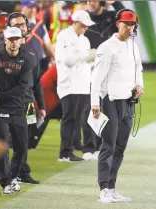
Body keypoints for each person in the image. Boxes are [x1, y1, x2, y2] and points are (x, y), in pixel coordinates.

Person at [90, 9, 144, 203]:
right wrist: (95, 102)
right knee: (108, 146)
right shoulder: (107, 47)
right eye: (126, 24)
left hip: (128, 101)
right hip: (110, 101)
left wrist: (140, 85)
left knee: (120, 146)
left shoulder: (133, 46)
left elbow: (138, 68)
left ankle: (112, 187)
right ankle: (103, 188)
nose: (129, 28)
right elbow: (96, 76)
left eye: (132, 25)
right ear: (117, 24)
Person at [0, 12, 45, 184]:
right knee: (2, 139)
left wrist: (41, 104)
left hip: (27, 101)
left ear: (27, 27)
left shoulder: (32, 51)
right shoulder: (1, 50)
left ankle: (22, 171)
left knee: (23, 139)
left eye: (22, 24)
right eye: (15, 25)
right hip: (5, 102)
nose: (20, 27)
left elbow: (36, 81)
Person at [0, 27, 32, 194]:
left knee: (21, 148)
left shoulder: (27, 60)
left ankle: (13, 177)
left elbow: (23, 88)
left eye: (17, 39)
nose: (14, 42)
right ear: (5, 40)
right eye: (11, 39)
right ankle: (5, 182)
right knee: (1, 147)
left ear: (21, 40)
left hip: (17, 109)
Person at [55, 10, 97, 162]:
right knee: (69, 118)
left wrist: (92, 59)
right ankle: (65, 153)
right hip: (69, 84)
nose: (85, 28)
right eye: (83, 25)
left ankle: (70, 149)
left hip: (83, 83)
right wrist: (86, 56)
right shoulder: (63, 37)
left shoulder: (84, 40)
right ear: (75, 22)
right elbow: (67, 60)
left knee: (78, 118)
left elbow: (85, 61)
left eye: (87, 26)